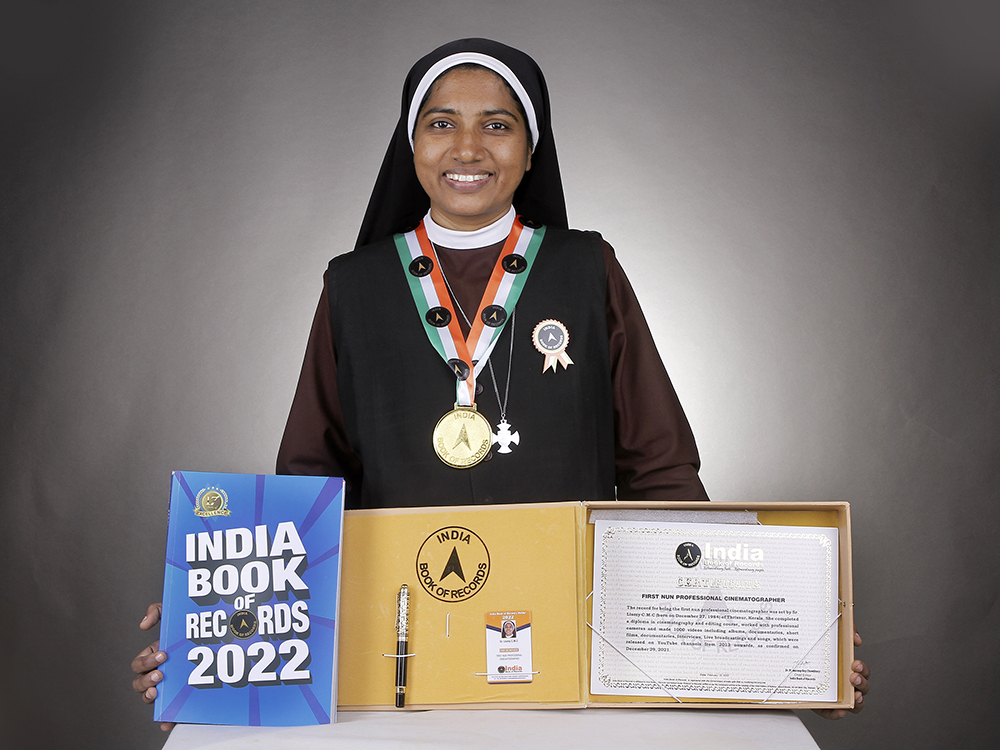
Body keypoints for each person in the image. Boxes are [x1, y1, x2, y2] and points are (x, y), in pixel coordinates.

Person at [132, 38, 868, 724]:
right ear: (411, 143)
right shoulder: (352, 285)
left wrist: (774, 648)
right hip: (404, 648)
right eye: (442, 122)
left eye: (498, 124)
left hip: (573, 643)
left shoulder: (588, 268)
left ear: (530, 148)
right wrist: (224, 616)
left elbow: (660, 467)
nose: (467, 148)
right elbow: (310, 472)